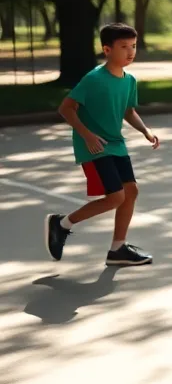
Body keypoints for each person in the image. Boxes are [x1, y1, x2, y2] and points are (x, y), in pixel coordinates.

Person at [45, 23, 160, 266]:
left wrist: (145, 130)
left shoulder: (129, 81)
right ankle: (62, 224)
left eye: (133, 46)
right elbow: (66, 108)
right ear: (107, 50)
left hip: (115, 143)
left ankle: (117, 249)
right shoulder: (94, 79)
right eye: (123, 47)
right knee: (116, 196)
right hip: (94, 146)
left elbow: (129, 111)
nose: (130, 52)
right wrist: (87, 135)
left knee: (131, 192)